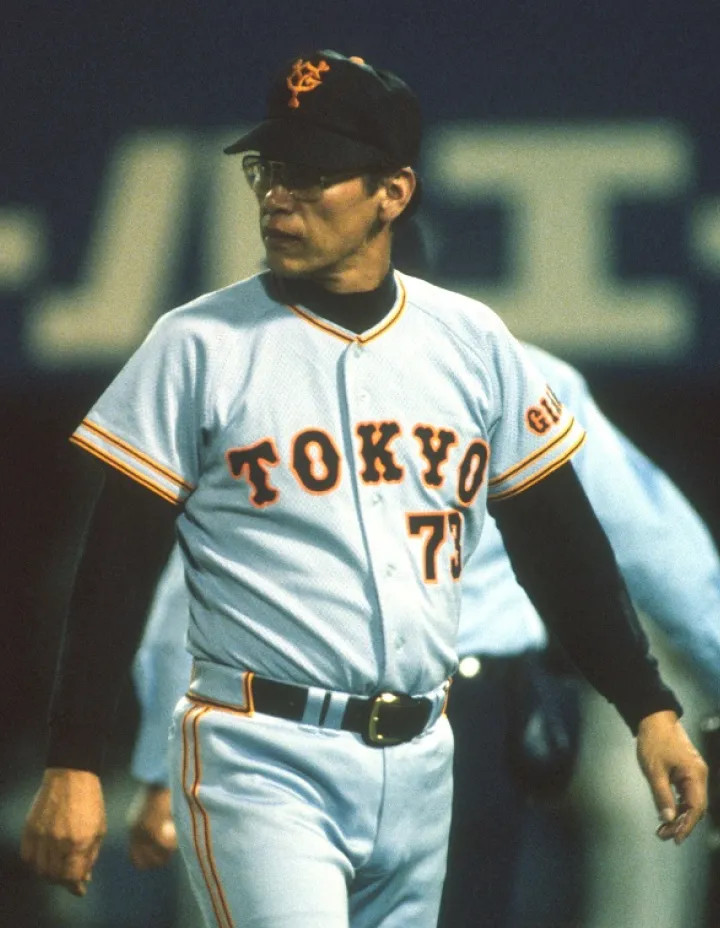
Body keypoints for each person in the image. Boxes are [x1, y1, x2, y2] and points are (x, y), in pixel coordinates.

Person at [20, 50, 707, 928]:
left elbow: (563, 547)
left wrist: (649, 708)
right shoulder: (197, 345)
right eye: (270, 169)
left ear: (393, 192)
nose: (279, 195)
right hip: (260, 752)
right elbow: (119, 570)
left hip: (427, 755)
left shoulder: (473, 344)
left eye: (313, 174)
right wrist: (76, 761)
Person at [124, 341, 720, 925]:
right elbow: (667, 554)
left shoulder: (268, 384)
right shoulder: (518, 373)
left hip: (291, 722)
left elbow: (194, 591)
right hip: (464, 713)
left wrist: (159, 767)